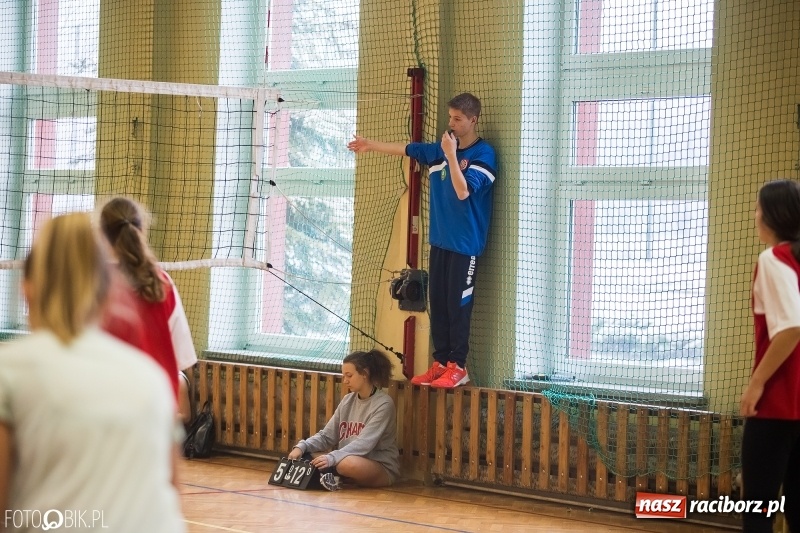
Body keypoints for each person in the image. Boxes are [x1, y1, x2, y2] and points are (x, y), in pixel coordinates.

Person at [0, 213, 184, 533]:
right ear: (107, 294)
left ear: (27, 289)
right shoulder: (152, 379)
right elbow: (172, 491)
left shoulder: (10, 371)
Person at [347, 93, 497, 389]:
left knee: (458, 306)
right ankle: (441, 363)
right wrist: (370, 145)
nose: (451, 124)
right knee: (438, 305)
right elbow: (407, 149)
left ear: (472, 120)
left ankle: (459, 366)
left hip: (466, 246)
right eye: (450, 117)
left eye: (457, 119)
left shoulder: (483, 155)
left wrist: (452, 156)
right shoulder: (440, 150)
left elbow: (463, 191)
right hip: (440, 242)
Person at [99, 197, 198, 424]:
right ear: (141, 229)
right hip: (155, 414)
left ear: (102, 235)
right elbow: (183, 359)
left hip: (105, 414)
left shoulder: (89, 283)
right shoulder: (163, 283)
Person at [740, 179, 800, 533]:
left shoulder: (773, 259)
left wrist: (756, 384)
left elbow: (792, 327)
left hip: (777, 405)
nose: (755, 215)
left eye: (758, 208)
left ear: (774, 215)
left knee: (758, 509)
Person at [287, 349, 399, 491]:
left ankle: (332, 476)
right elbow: (326, 436)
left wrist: (332, 457)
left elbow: (364, 444)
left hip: (378, 465)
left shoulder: (383, 404)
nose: (345, 381)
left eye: (349, 375)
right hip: (343, 458)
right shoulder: (347, 400)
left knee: (345, 464)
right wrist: (302, 446)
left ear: (365, 373)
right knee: (307, 454)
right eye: (344, 375)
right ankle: (333, 477)